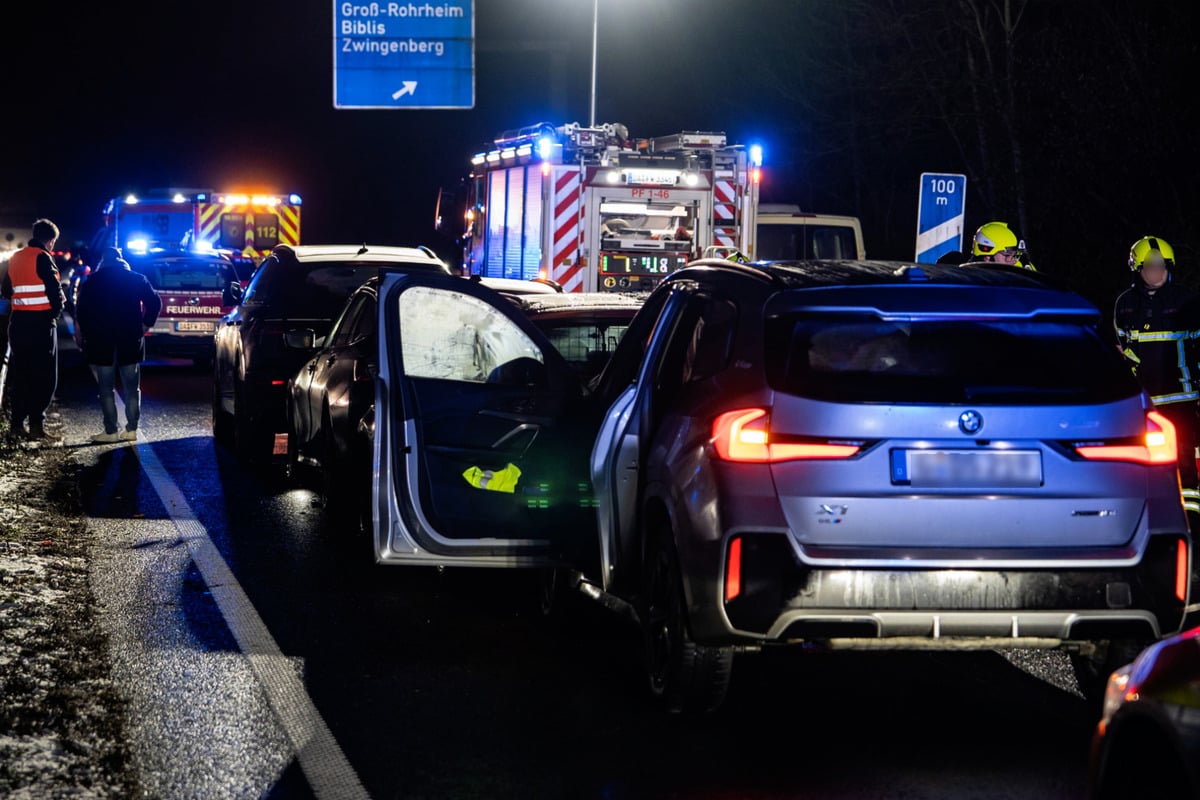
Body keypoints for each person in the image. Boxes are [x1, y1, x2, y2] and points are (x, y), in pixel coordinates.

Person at [1113, 235, 1200, 516]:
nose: (1156, 271)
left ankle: (1191, 518)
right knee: (1143, 461)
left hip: (1181, 397)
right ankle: (1151, 514)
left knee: (1185, 457)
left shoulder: (1187, 301)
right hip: (1143, 400)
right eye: (1150, 266)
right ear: (1136, 268)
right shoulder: (1125, 304)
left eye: (1161, 266)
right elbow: (1120, 350)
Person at [73, 246, 162, 443]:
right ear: (121, 260)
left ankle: (111, 431)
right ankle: (131, 429)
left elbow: (81, 311)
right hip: (130, 338)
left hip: (101, 341)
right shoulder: (136, 279)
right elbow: (155, 302)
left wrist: (84, 334)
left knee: (105, 389)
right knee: (132, 388)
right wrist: (146, 324)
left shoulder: (93, 281)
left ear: (103, 260)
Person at [0, 219, 65, 441]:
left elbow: (7, 290)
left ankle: (17, 425)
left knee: (21, 375)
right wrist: (54, 315)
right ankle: (36, 425)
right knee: (45, 377)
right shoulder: (44, 258)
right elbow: (55, 293)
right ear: (51, 240)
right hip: (41, 325)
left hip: (18, 323)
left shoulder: (15, 258)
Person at [971, 220, 1037, 270]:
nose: (1014, 261)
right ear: (987, 258)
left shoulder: (1023, 268)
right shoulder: (969, 281)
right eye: (1007, 255)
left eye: (1015, 255)